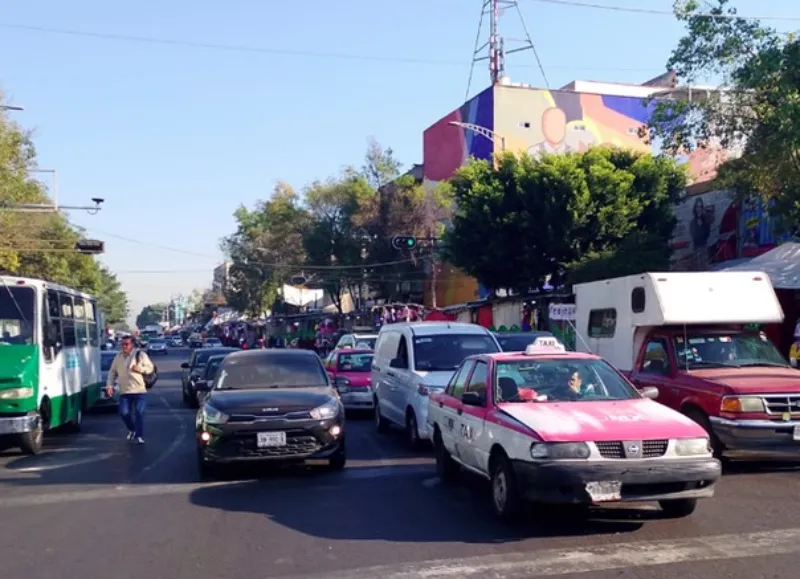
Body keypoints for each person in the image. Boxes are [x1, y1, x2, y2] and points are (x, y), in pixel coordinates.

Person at [105, 335, 154, 444]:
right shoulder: (118, 356)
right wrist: (109, 385)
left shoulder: (140, 355)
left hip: (139, 391)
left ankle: (139, 436)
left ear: (132, 345)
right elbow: (112, 372)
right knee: (124, 413)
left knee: (139, 413)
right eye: (122, 344)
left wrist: (140, 369)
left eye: (126, 344)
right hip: (125, 391)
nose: (124, 346)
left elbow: (150, 368)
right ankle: (132, 429)